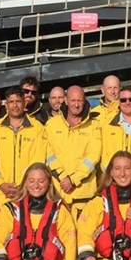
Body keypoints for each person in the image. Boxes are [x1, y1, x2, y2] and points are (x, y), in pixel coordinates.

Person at [45, 85, 102, 217]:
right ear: (66, 100)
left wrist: (73, 179)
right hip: (57, 193)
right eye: (73, 100)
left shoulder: (94, 125)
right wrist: (62, 176)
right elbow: (48, 155)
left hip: (83, 195)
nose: (76, 105)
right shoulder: (52, 125)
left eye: (80, 101)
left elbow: (94, 156)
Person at [0, 86, 49, 206]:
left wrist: (24, 184)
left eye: (18, 101)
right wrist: (0, 184)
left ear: (24, 104)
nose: (15, 105)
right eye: (11, 102)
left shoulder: (37, 128)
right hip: (0, 194)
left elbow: (38, 160)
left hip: (28, 192)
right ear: (6, 104)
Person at [101, 85, 131, 164]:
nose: (127, 102)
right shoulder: (107, 125)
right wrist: (111, 172)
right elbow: (104, 154)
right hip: (113, 174)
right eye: (123, 100)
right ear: (118, 102)